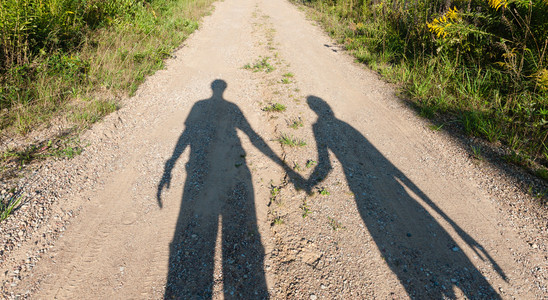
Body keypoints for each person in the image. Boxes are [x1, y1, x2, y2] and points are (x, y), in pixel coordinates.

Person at [306, 95, 504, 298]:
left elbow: (325, 165)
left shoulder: (318, 127)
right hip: (407, 196)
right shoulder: (345, 126)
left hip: (359, 189)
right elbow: (396, 171)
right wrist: (451, 222)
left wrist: (309, 183)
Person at [157, 80, 301, 299]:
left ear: (213, 89)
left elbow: (186, 134)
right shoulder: (231, 107)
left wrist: (170, 165)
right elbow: (252, 137)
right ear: (223, 89)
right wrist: (285, 167)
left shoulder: (199, 105)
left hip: (197, 165)